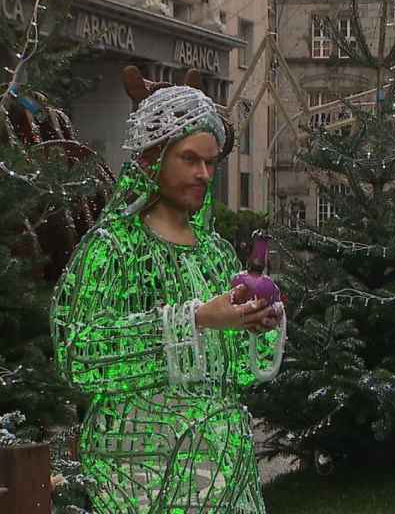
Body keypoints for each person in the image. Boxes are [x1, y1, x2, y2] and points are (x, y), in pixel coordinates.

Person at [51, 83, 285, 513]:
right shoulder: (111, 248)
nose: (204, 174)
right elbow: (79, 356)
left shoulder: (215, 252)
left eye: (211, 162)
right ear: (150, 158)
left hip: (225, 467)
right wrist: (193, 320)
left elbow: (238, 376)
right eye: (190, 159)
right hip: (141, 470)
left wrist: (256, 326)